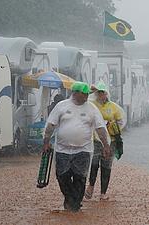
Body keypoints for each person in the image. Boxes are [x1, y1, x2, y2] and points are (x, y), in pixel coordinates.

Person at [43, 81, 111, 212]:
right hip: (62, 150)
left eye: (87, 94)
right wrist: (46, 141)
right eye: (83, 94)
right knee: (62, 176)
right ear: (75, 93)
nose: (86, 96)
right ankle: (71, 200)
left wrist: (106, 145)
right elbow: (51, 125)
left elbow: (100, 128)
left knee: (80, 177)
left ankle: (74, 206)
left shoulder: (91, 108)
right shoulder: (61, 106)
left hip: (83, 150)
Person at [85, 81, 125, 201]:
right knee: (94, 164)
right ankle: (91, 186)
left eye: (103, 93)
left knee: (106, 166)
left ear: (106, 94)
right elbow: (81, 98)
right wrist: (91, 90)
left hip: (111, 141)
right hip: (96, 140)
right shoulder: (91, 104)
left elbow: (121, 122)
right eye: (99, 93)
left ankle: (103, 193)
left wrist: (113, 126)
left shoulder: (113, 107)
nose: (101, 95)